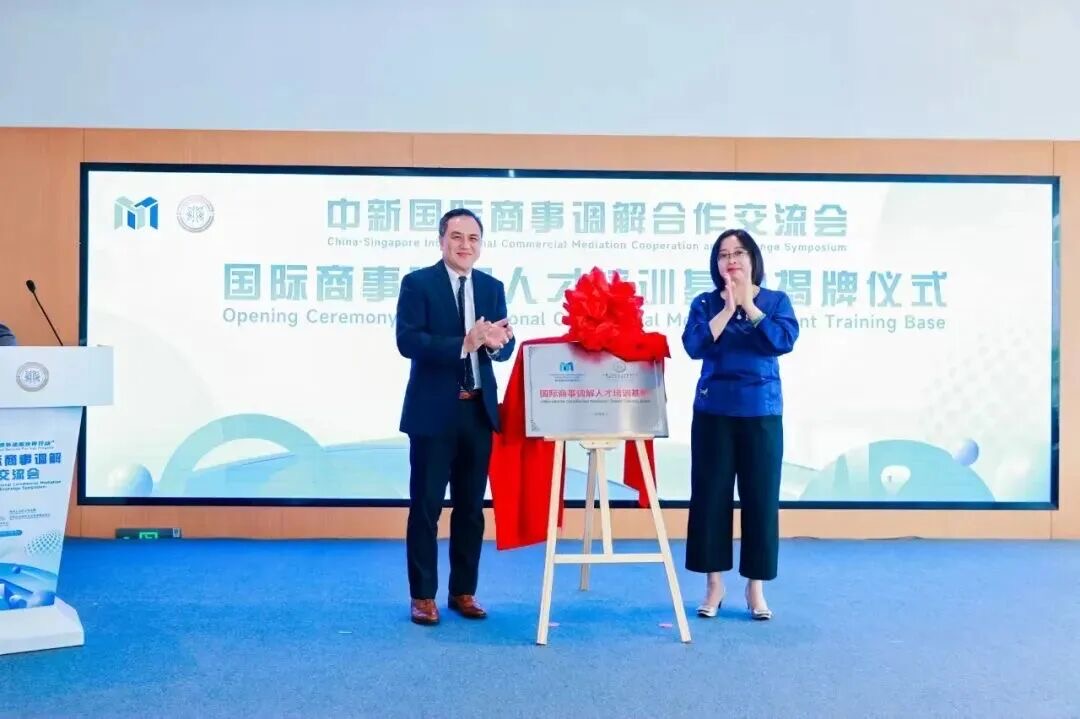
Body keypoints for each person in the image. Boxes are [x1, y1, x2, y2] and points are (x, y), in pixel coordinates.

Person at [395, 208, 516, 626]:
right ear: (442, 240)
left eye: (473, 238)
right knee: (426, 507)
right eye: (457, 237)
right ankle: (422, 596)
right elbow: (408, 341)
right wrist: (463, 344)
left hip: (477, 411)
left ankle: (463, 590)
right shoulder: (418, 284)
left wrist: (498, 344)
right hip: (433, 414)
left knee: (470, 510)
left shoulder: (492, 287)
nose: (465, 245)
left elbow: (503, 344)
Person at [681, 228, 799, 621]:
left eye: (739, 253)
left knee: (760, 500)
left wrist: (749, 306)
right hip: (713, 411)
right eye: (723, 254)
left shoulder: (775, 301)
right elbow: (694, 346)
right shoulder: (705, 303)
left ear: (753, 260)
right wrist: (728, 309)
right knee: (710, 498)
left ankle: (755, 587)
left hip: (761, 411)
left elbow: (782, 340)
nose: (731, 260)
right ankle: (714, 585)